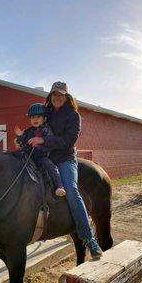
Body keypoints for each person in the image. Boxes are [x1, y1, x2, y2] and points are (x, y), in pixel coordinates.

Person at [27, 82, 103, 258]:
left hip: (65, 159)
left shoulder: (73, 116)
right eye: (54, 94)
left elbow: (68, 140)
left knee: (71, 190)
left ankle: (89, 238)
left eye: (60, 95)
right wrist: (24, 138)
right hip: (45, 157)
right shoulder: (46, 112)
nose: (57, 98)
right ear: (50, 96)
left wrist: (43, 142)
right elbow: (35, 127)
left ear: (67, 97)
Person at [14, 103, 66, 197]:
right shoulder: (28, 131)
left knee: (51, 167)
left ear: (45, 118)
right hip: (27, 156)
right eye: (33, 117)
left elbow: (50, 143)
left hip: (41, 156)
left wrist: (38, 146)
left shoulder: (46, 130)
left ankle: (59, 186)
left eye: (38, 117)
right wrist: (20, 136)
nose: (35, 119)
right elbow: (22, 142)